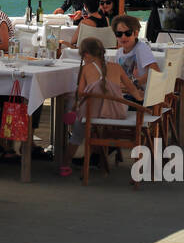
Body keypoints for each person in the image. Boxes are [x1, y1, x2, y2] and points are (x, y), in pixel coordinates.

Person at [59, 38, 141, 177]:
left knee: (78, 132)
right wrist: (141, 99)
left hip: (93, 114)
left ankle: (65, 164)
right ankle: (97, 156)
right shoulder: (116, 67)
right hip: (117, 113)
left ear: (86, 55)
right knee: (95, 125)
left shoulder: (86, 69)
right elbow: (132, 89)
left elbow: (81, 94)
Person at [111, 14, 159, 90]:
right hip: (126, 94)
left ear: (136, 34)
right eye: (119, 34)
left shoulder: (141, 48)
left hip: (140, 96)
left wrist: (135, 83)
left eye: (128, 33)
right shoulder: (119, 53)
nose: (123, 37)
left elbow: (155, 71)